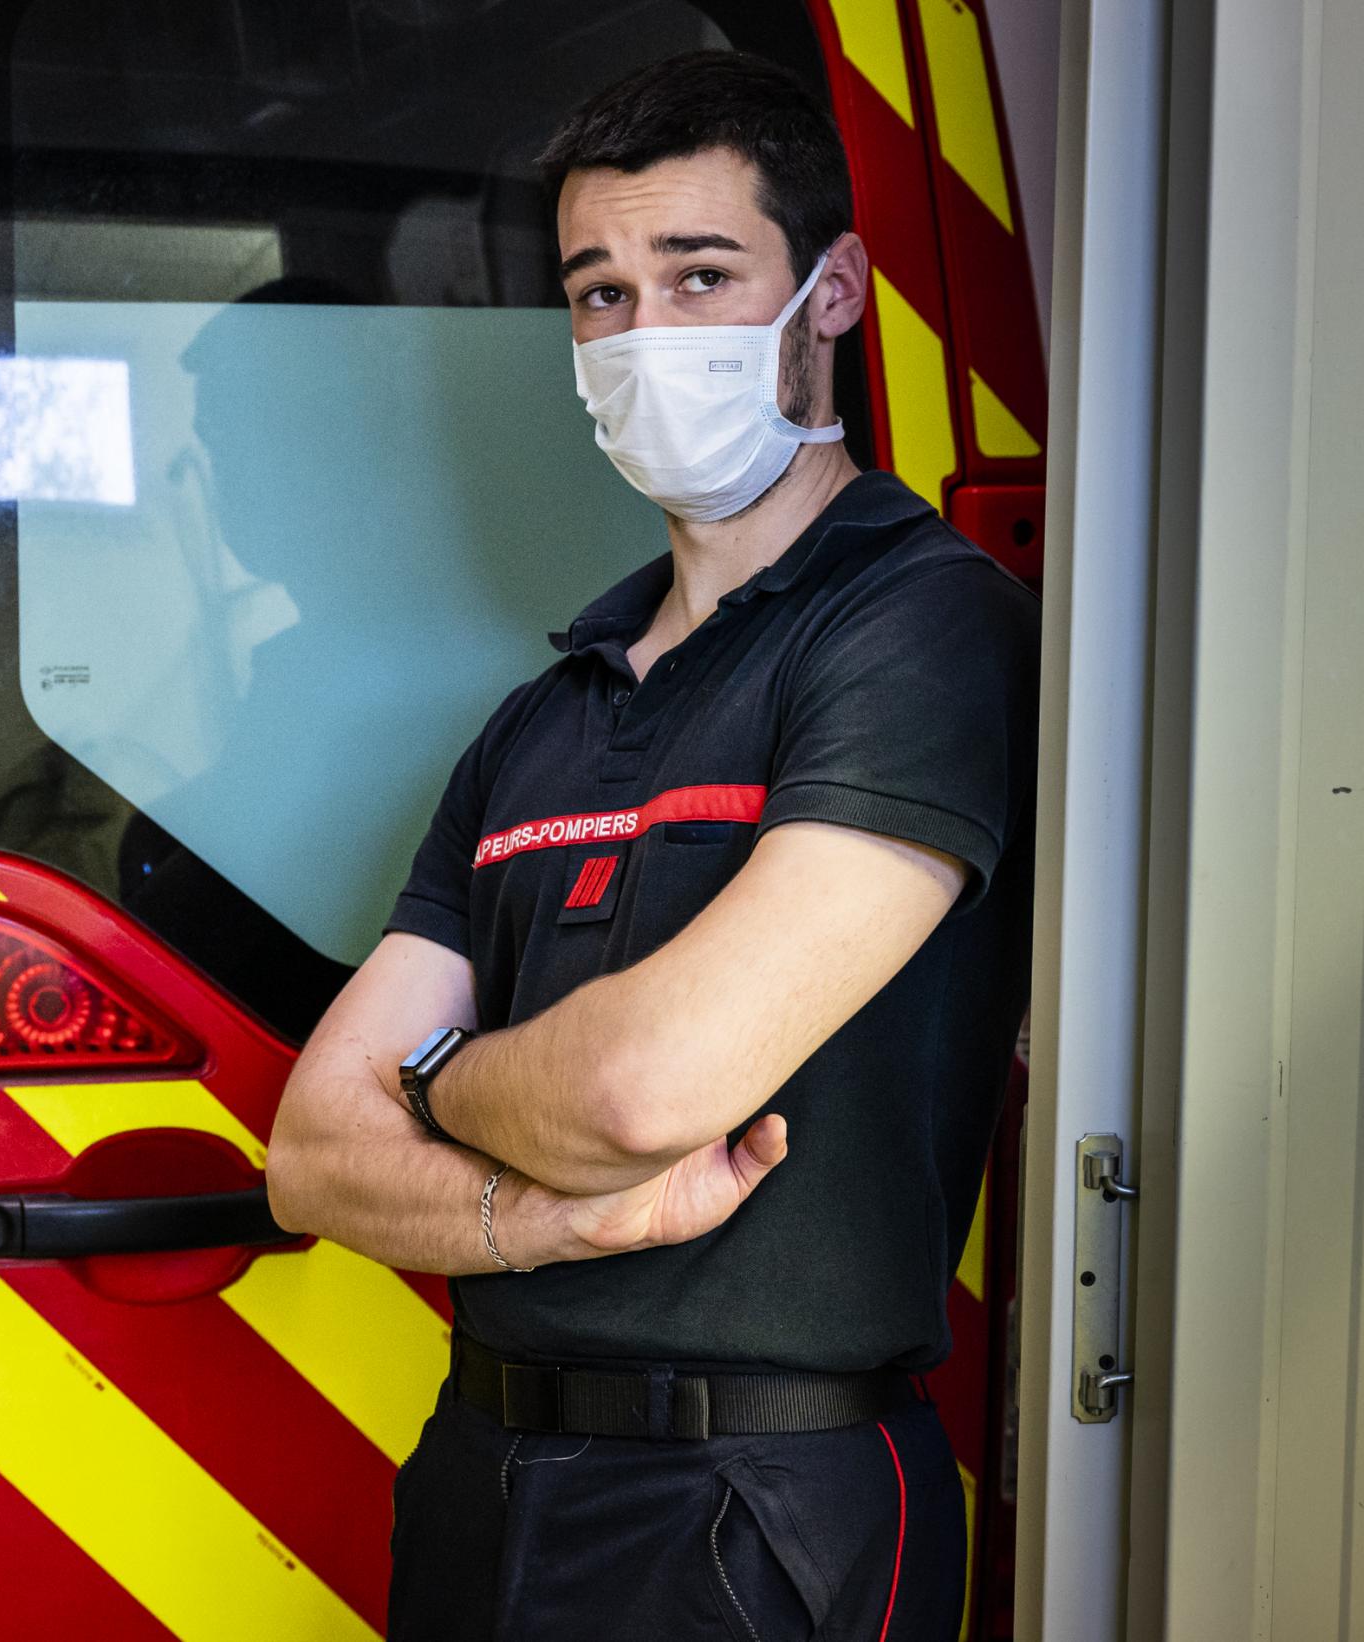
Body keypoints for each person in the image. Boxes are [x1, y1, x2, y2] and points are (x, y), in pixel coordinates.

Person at [265, 50, 1038, 1639]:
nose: (646, 335)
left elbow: (643, 1091)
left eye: (702, 276)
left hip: (759, 1505)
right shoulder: (544, 713)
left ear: (829, 293)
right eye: (602, 294)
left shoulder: (923, 625)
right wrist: (555, 1216)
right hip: (482, 1469)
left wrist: (435, 1078)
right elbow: (305, 1160)